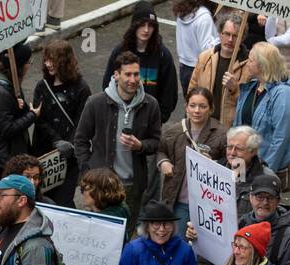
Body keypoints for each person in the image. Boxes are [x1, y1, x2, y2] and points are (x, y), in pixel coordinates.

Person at [75, 52, 162, 231]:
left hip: (132, 185)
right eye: (127, 74)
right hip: (100, 186)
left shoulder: (150, 104)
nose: (133, 79)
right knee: (94, 233)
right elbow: (81, 140)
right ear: (116, 75)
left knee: (125, 235)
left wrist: (141, 146)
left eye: (136, 74)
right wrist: (87, 171)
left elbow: (156, 142)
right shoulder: (95, 103)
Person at [158, 87, 226, 235]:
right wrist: (163, 162)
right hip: (178, 200)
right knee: (176, 243)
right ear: (186, 107)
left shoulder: (222, 134)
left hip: (207, 204)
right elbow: (161, 150)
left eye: (202, 106)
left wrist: (215, 165)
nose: (197, 110)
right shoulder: (175, 130)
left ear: (211, 109)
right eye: (192, 105)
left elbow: (235, 167)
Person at [102, 1, 179, 124]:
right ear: (134, 25)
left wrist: (158, 118)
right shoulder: (120, 51)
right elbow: (107, 84)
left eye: (150, 25)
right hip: (120, 118)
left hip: (150, 122)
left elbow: (169, 92)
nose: (146, 30)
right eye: (142, 25)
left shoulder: (163, 55)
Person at [32, 40, 91, 200]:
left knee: (63, 201)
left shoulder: (82, 88)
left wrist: (69, 144)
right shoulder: (42, 86)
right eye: (46, 60)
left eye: (53, 60)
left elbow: (82, 121)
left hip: (68, 158)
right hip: (43, 154)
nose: (48, 64)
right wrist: (57, 141)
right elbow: (40, 120)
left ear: (64, 61)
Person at [0, 43, 39, 180]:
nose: (30, 65)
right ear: (20, 65)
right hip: (2, 159)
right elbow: (7, 128)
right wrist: (32, 115)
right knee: (3, 197)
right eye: (29, 62)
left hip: (3, 155)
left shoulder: (7, 85)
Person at [188, 11, 253, 128]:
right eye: (226, 34)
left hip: (229, 128)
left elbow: (251, 105)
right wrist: (190, 117)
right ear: (219, 33)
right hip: (203, 123)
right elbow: (192, 90)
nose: (230, 40)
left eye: (235, 36)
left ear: (242, 38)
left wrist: (235, 89)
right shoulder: (205, 57)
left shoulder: (249, 66)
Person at [235, 41, 290, 176]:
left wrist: (266, 171)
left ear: (262, 65)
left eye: (251, 60)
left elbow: (281, 137)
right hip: (242, 161)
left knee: (257, 197)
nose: (247, 62)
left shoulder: (282, 94)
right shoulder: (251, 86)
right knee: (238, 194)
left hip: (261, 166)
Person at [239, 173, 290, 265]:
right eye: (259, 197)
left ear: (278, 201)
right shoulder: (242, 223)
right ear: (250, 197)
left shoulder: (287, 233)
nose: (265, 202)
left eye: (270, 198)